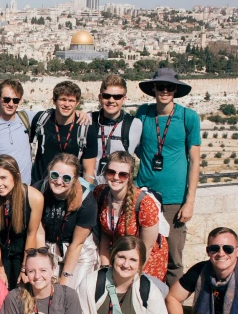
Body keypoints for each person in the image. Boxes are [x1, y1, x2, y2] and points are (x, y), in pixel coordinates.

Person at [135, 68, 201, 285]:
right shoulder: (143, 113)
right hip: (144, 195)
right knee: (139, 253)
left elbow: (194, 160)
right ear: (153, 88)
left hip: (174, 199)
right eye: (160, 86)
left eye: (169, 87)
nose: (164, 91)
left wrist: (189, 201)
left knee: (174, 258)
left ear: (176, 90)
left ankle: (172, 310)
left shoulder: (188, 117)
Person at [93, 151, 169, 281]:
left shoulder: (144, 204)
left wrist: (132, 276)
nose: (116, 177)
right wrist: (105, 267)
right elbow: (106, 233)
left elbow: (147, 247)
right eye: (111, 172)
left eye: (122, 174)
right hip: (120, 257)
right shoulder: (100, 193)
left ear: (130, 177)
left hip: (146, 262)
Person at [36, 154, 98, 293]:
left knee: (69, 294)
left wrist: (65, 277)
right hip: (49, 247)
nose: (58, 181)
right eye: (54, 175)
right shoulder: (40, 190)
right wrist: (42, 262)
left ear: (75, 179)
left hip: (78, 251)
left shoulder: (86, 201)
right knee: (45, 293)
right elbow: (38, 231)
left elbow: (77, 244)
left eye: (66, 178)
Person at [0, 155, 43, 289]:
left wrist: (25, 268)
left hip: (22, 252)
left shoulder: (35, 198)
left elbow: (32, 234)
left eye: (3, 178)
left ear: (16, 176)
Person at [29, 81, 99, 184]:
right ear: (54, 100)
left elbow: (88, 171)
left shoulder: (86, 129)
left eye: (71, 100)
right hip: (40, 186)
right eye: (63, 99)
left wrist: (86, 194)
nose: (67, 104)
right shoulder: (41, 119)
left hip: (68, 188)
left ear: (77, 103)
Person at [91, 74, 142, 184]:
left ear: (124, 99)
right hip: (91, 190)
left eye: (117, 97)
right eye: (106, 96)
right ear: (100, 97)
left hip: (120, 190)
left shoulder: (135, 125)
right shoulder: (88, 120)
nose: (111, 100)